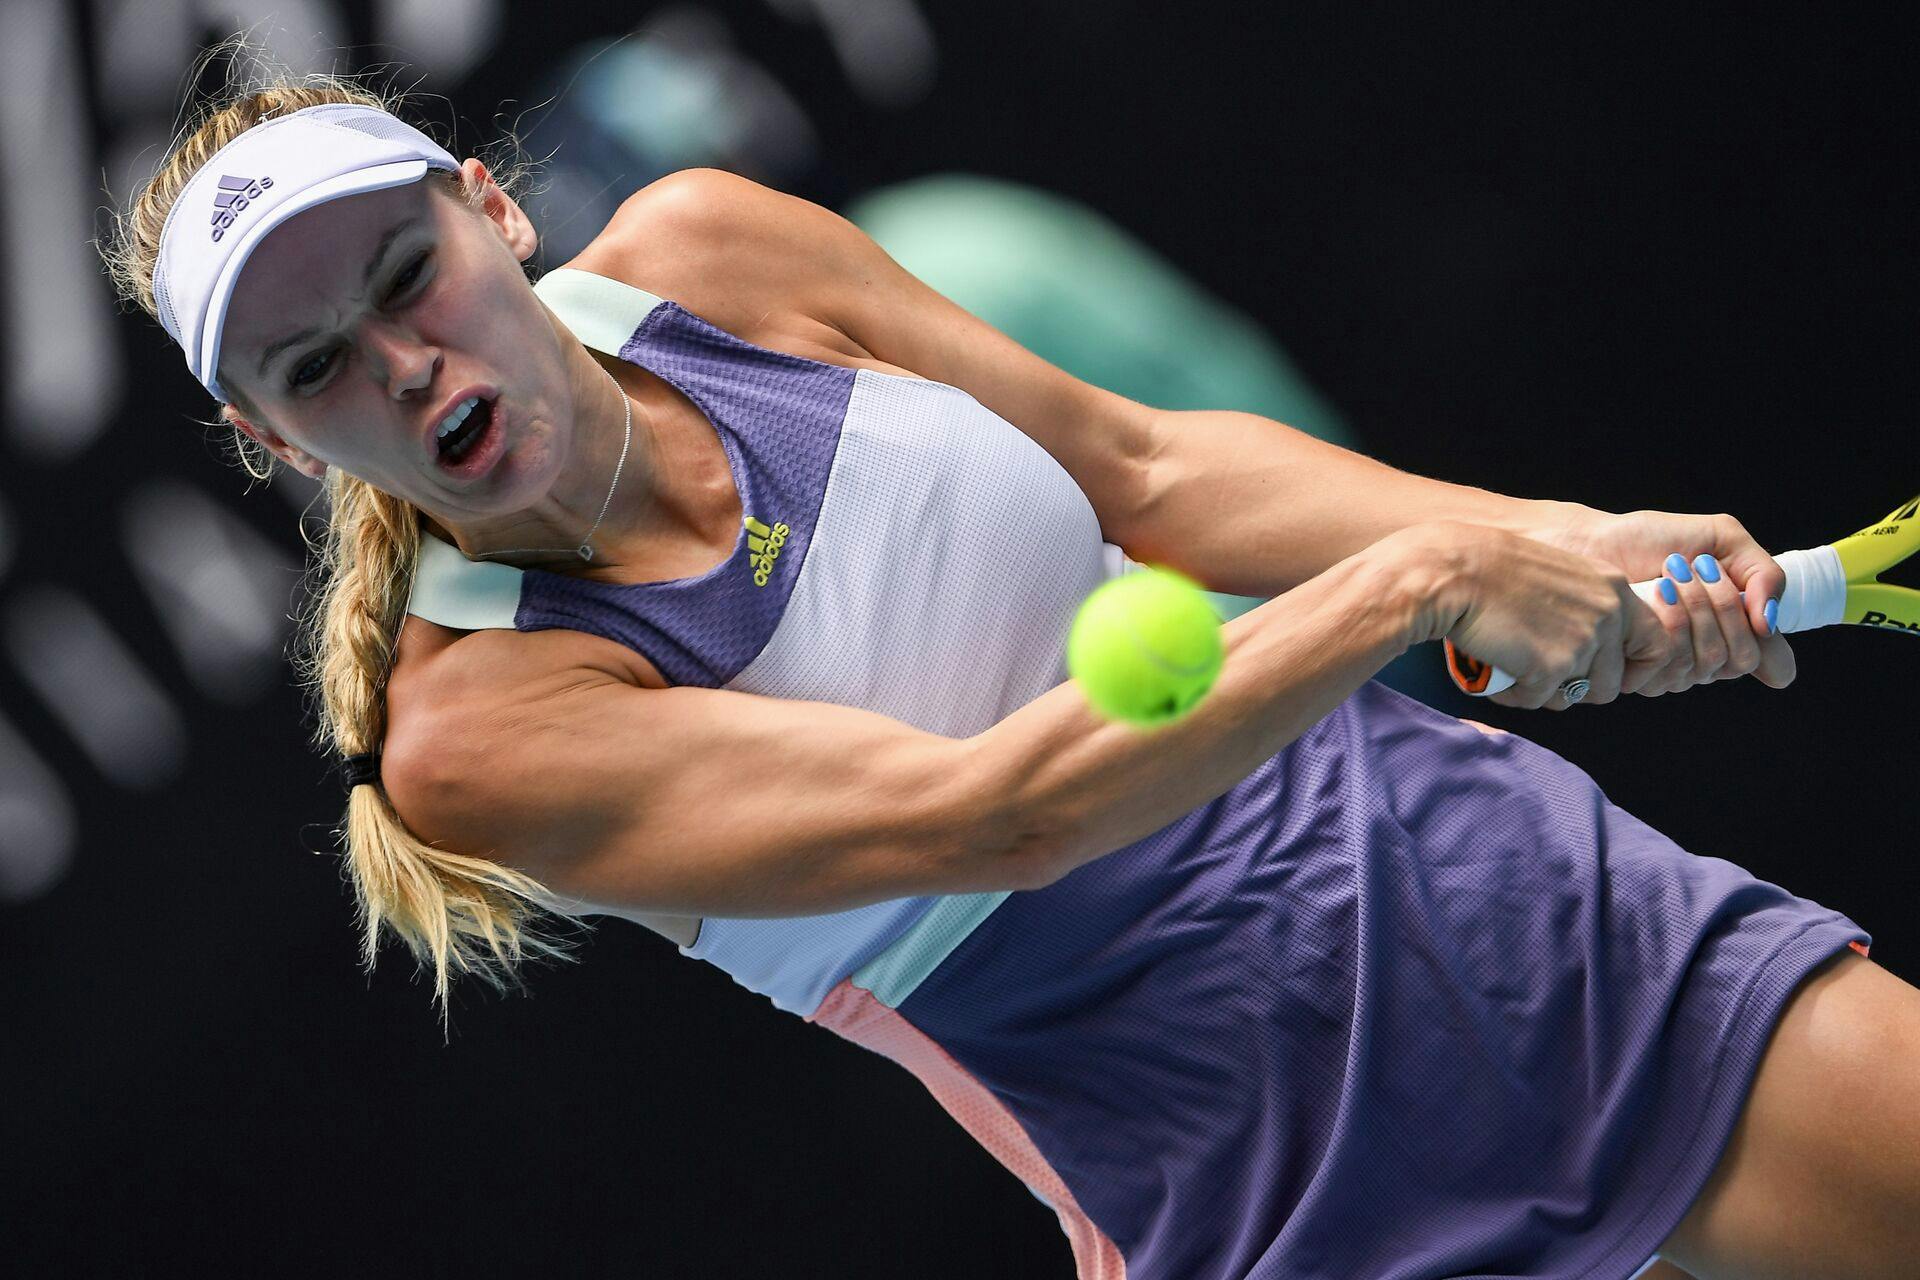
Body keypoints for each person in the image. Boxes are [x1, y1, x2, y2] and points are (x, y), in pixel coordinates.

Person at [100, 68, 1920, 1280]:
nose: (403, 365)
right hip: (1274, 1200)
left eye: (407, 274)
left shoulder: (717, 254)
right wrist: (1423, 581)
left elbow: (1146, 465)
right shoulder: (476, 739)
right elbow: (998, 813)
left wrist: (1548, 532)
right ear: (272, 443)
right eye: (319, 367)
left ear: (494, 211)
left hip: (1497, 895)